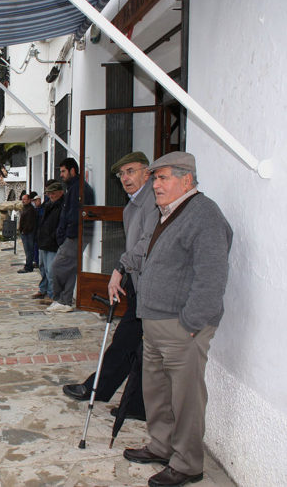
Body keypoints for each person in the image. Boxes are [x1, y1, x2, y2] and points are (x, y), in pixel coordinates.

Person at [122, 152, 232, 487]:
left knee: (185, 398)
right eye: (154, 178)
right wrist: (121, 268)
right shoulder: (165, 213)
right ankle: (161, 445)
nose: (155, 184)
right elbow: (146, 253)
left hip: (182, 327)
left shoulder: (204, 215)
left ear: (187, 179)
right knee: (156, 391)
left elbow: (211, 276)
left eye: (162, 177)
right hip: (154, 322)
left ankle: (187, 464)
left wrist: (191, 323)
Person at [62, 152, 156, 421]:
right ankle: (131, 404)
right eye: (121, 174)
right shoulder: (133, 205)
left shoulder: (152, 201)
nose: (125, 178)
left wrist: (120, 268)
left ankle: (106, 392)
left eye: (130, 171)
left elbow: (148, 242)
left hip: (153, 287)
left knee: (129, 341)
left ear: (146, 172)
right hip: (141, 284)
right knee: (133, 344)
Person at [46, 157, 94, 312]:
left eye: (63, 171)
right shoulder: (73, 188)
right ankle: (65, 302)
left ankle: (60, 299)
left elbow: (74, 216)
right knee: (70, 269)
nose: (61, 175)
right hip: (73, 235)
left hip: (76, 236)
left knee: (56, 267)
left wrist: (67, 235)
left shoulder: (79, 189)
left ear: (73, 171)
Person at [32, 181, 63, 302]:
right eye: (49, 193)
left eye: (53, 193)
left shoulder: (61, 206)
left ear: (60, 192)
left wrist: (54, 237)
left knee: (51, 270)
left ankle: (52, 294)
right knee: (43, 268)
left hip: (52, 243)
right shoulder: (48, 204)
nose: (51, 195)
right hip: (43, 241)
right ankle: (43, 289)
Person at [17, 193, 38, 273]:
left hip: (28, 234)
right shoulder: (25, 208)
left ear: (29, 200)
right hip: (25, 233)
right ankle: (28, 265)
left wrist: (23, 231)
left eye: (25, 199)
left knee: (29, 251)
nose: (23, 201)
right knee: (28, 251)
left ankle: (28, 267)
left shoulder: (30, 210)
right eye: (22, 199)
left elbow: (30, 223)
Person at [29, 191, 42, 269]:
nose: (34, 202)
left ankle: (37, 261)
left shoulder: (40, 210)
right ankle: (35, 260)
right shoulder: (35, 209)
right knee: (35, 247)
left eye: (35, 201)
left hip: (38, 231)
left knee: (36, 247)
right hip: (35, 231)